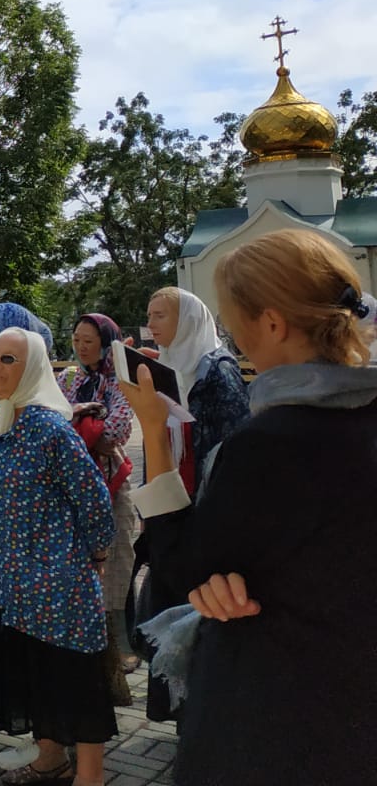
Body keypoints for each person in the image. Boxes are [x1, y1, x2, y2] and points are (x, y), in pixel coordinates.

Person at [125, 229, 377, 786]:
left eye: (234, 317)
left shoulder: (275, 439)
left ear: (271, 323)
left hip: (288, 708)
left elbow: (186, 567)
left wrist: (154, 434)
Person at [0, 327, 116, 786]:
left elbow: (94, 501)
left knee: (73, 676)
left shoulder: (49, 428)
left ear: (33, 367)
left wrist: (96, 552)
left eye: (9, 360)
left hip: (58, 581)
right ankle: (49, 758)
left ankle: (90, 776)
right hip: (15, 584)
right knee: (36, 675)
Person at [53, 313, 139, 672]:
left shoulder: (120, 379)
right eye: (76, 338)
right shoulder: (68, 377)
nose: (81, 346)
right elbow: (51, 420)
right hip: (71, 486)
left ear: (106, 343)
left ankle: (120, 646)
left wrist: (75, 422)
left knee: (117, 559)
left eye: (89, 340)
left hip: (110, 483)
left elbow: (114, 433)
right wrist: (84, 420)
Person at [145, 286, 251, 497]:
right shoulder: (166, 363)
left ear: (187, 321)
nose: (150, 324)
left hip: (210, 495)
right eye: (149, 316)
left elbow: (235, 442)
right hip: (173, 492)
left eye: (160, 316)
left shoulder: (218, 369)